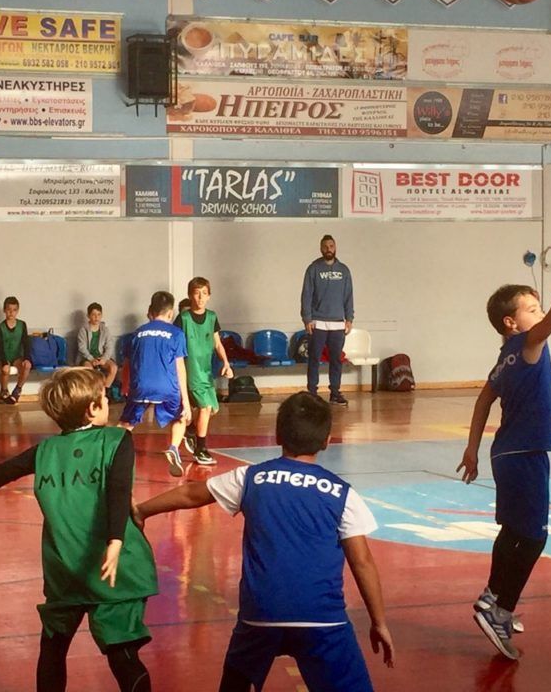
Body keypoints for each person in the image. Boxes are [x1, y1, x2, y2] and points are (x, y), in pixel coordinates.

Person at [135, 392, 394, 691]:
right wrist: (379, 622)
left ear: (278, 435)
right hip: (322, 618)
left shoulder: (251, 478)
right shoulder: (342, 493)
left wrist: (142, 510)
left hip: (260, 616)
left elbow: (191, 494)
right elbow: (362, 562)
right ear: (326, 441)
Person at [0, 368, 157, 692]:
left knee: (53, 649)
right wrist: (115, 541)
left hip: (65, 570)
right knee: (123, 656)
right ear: (92, 409)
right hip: (115, 568)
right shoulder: (116, 440)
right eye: (103, 397)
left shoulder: (45, 451)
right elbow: (118, 490)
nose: (106, 402)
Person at [457, 241, 551, 660]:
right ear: (511, 322)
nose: (540, 313)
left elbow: (483, 400)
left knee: (513, 531)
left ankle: (493, 597)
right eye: (532, 308)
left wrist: (472, 450)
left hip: (506, 453)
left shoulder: (504, 357)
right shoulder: (526, 344)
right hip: (523, 452)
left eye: (538, 307)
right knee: (534, 536)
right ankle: (499, 610)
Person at [117, 291, 192, 477]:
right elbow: (180, 368)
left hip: (140, 386)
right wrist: (186, 401)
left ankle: (109, 450)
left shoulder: (136, 333)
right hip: (167, 387)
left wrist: (125, 386)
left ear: (150, 311)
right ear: (171, 313)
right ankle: (173, 448)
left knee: (126, 424)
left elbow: (126, 365)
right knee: (180, 418)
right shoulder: (176, 334)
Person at [174, 277, 233, 466]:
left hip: (206, 370)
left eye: (204, 294)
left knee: (212, 409)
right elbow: (173, 344)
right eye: (197, 293)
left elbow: (217, 343)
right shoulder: (183, 319)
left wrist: (226, 363)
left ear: (209, 296)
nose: (200, 297)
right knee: (205, 408)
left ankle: (191, 430)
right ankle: (201, 449)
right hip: (191, 370)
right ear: (190, 295)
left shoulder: (212, 317)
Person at [301, 234, 354, 406]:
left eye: (331, 246)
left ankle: (335, 393)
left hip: (338, 322)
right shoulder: (313, 269)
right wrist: (307, 318)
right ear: (321, 248)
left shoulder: (344, 270)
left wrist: (349, 318)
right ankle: (312, 393)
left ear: (335, 247)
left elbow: (348, 296)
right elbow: (306, 295)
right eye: (325, 246)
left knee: (336, 360)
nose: (328, 249)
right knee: (314, 359)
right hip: (317, 322)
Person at [0, 295, 32, 404]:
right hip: (2, 356)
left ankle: (18, 389)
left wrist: (26, 358)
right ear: (4, 310)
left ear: (17, 311)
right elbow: (0, 346)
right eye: (9, 310)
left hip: (16, 356)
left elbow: (25, 343)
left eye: (14, 310)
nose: (11, 312)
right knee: (6, 369)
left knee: (27, 366)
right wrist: (4, 362)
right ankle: (4, 391)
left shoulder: (22, 325)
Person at [77, 302, 118, 389]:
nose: (96, 317)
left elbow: (109, 346)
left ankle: (105, 390)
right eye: (93, 314)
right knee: (89, 369)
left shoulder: (105, 330)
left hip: (101, 357)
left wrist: (104, 359)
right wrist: (91, 359)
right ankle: (92, 391)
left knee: (113, 368)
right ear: (88, 316)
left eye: (99, 314)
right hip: (87, 358)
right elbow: (82, 348)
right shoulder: (83, 330)